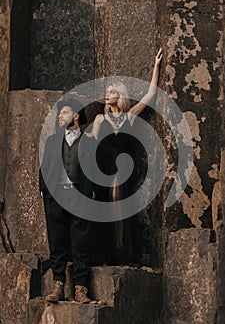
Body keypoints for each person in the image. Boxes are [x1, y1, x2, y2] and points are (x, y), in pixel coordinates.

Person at [87, 48, 163, 265]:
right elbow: (90, 140)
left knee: (118, 202)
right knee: (104, 204)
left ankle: (122, 250)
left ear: (119, 96)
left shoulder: (130, 116)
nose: (108, 93)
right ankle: (106, 253)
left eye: (112, 91)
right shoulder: (100, 118)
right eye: (107, 91)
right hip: (102, 165)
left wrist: (156, 66)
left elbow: (150, 95)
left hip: (121, 165)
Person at [39, 99, 94, 304]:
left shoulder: (89, 141)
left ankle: (81, 289)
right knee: (57, 242)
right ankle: (58, 286)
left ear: (76, 115)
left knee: (81, 243)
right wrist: (45, 192)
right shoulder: (53, 140)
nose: (60, 116)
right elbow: (44, 168)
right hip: (55, 197)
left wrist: (90, 195)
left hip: (80, 196)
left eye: (64, 112)